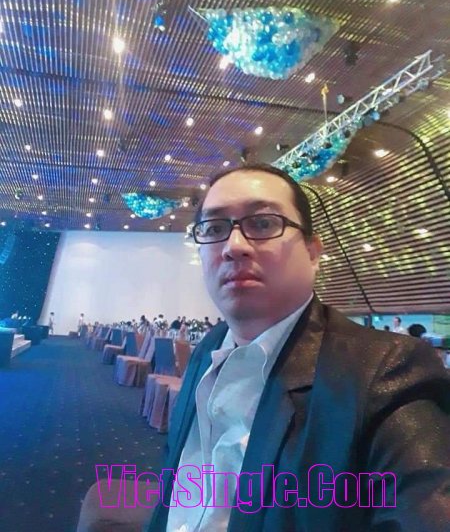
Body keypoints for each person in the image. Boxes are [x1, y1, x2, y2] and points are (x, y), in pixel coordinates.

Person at [148, 164, 450, 532]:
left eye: (263, 223)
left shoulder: (384, 371)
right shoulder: (208, 351)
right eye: (214, 229)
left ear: (312, 252)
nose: (234, 246)